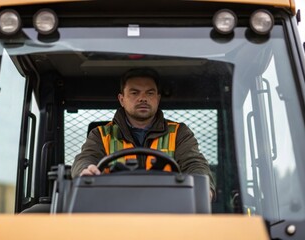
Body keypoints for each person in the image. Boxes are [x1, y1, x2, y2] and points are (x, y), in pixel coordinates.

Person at [71, 67, 215, 197]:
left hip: (167, 210)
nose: (143, 98)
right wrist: (85, 170)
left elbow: (194, 163)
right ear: (121, 99)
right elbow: (86, 158)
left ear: (158, 99)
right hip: (113, 209)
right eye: (134, 93)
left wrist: (203, 187)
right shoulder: (101, 134)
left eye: (150, 93)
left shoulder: (179, 133)